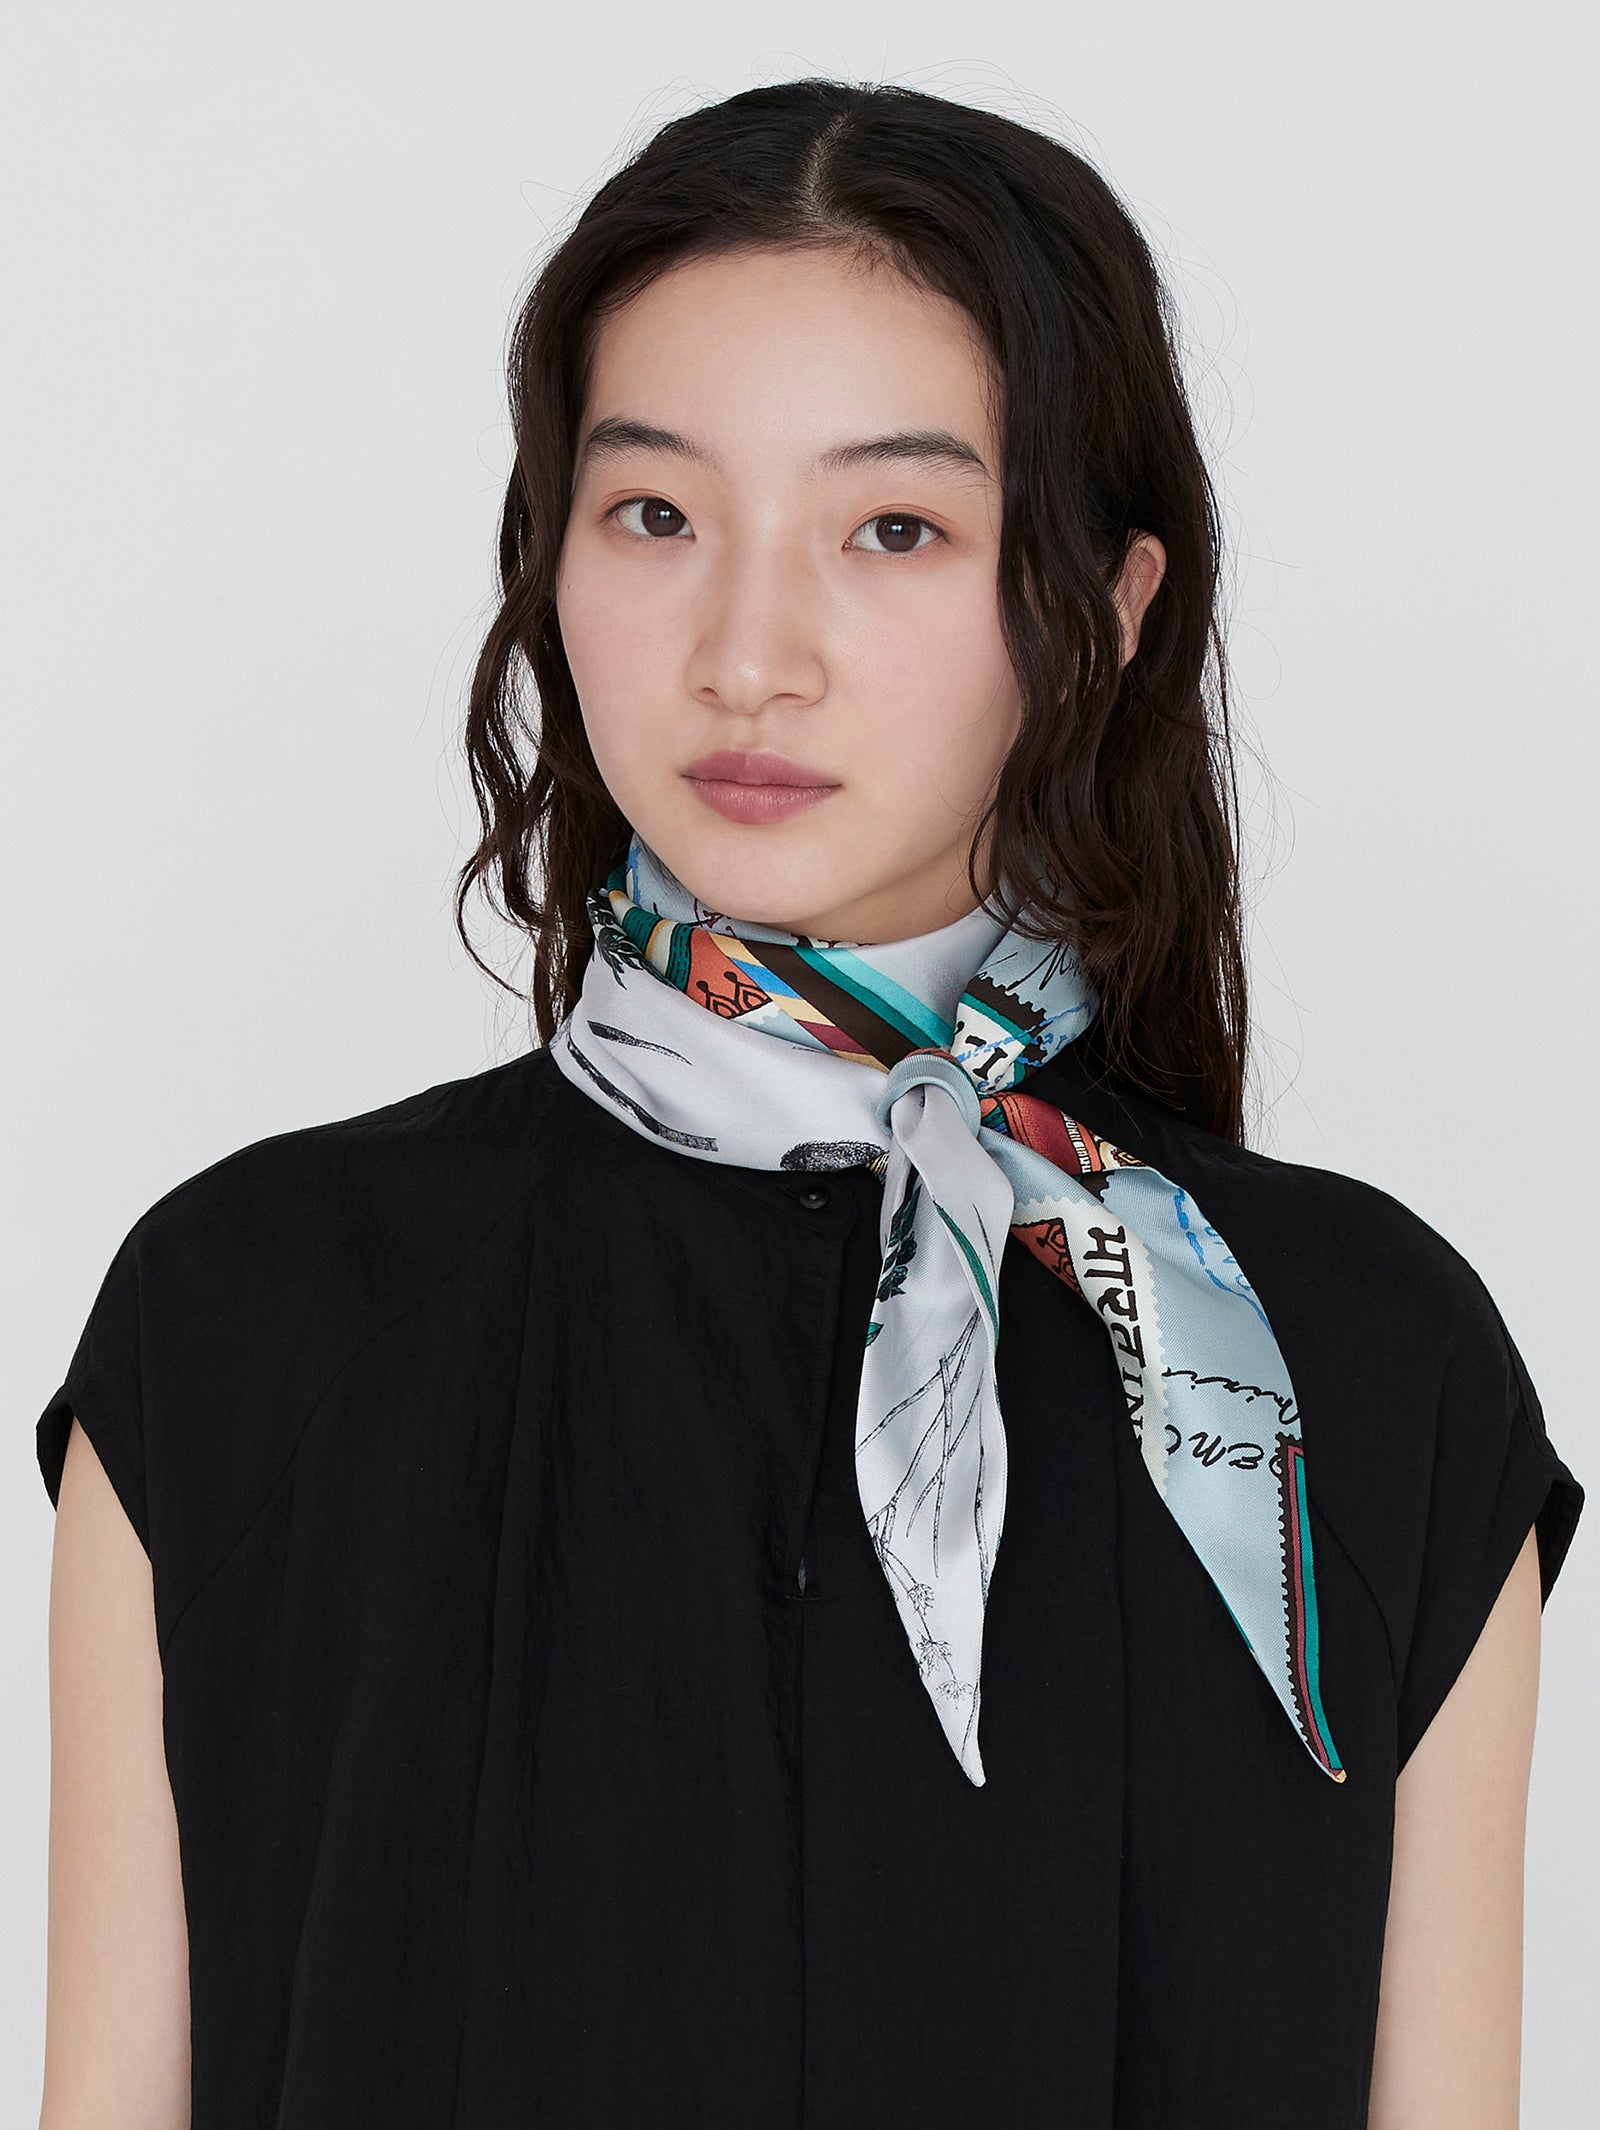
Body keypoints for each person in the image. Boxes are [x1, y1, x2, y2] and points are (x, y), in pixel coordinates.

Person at [35, 77, 1584, 2130]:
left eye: (893, 530)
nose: (746, 654)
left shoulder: (1368, 1376)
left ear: (1108, 610)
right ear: (549, 556)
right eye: (655, 515)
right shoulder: (240, 1321)